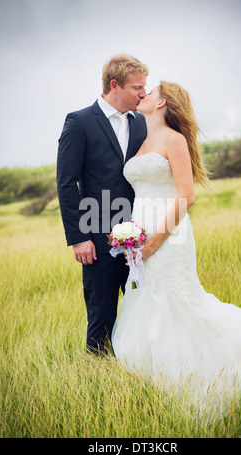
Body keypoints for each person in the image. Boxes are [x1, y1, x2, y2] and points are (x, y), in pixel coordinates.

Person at [111, 81, 241, 401]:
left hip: (170, 234)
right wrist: (133, 239)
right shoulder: (142, 140)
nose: (144, 94)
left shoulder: (174, 140)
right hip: (140, 232)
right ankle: (151, 372)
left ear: (162, 103)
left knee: (177, 298)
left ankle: (194, 372)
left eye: (150, 91)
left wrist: (153, 242)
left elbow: (186, 197)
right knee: (146, 297)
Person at [57, 54, 148, 354]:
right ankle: (98, 380)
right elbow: (67, 183)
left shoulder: (141, 123)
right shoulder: (79, 122)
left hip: (139, 239)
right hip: (96, 239)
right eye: (137, 87)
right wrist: (79, 238)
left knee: (143, 312)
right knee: (102, 319)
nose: (143, 93)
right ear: (114, 85)